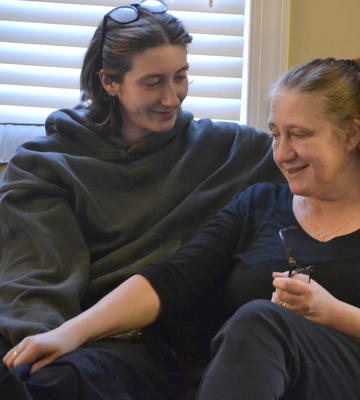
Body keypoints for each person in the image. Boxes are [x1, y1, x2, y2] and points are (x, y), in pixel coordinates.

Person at [3, 57, 360, 400]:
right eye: (275, 134)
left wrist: (332, 313)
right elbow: (173, 277)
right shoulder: (259, 203)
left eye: (299, 135)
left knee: (261, 319)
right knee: (56, 377)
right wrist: (69, 334)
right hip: (255, 384)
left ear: (351, 134)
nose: (281, 153)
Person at [0, 1, 284, 399]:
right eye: (153, 83)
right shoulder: (46, 164)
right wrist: (37, 354)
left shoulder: (233, 151)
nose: (172, 98)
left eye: (180, 77)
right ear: (109, 82)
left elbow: (318, 164)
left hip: (155, 344)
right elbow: (37, 281)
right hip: (74, 335)